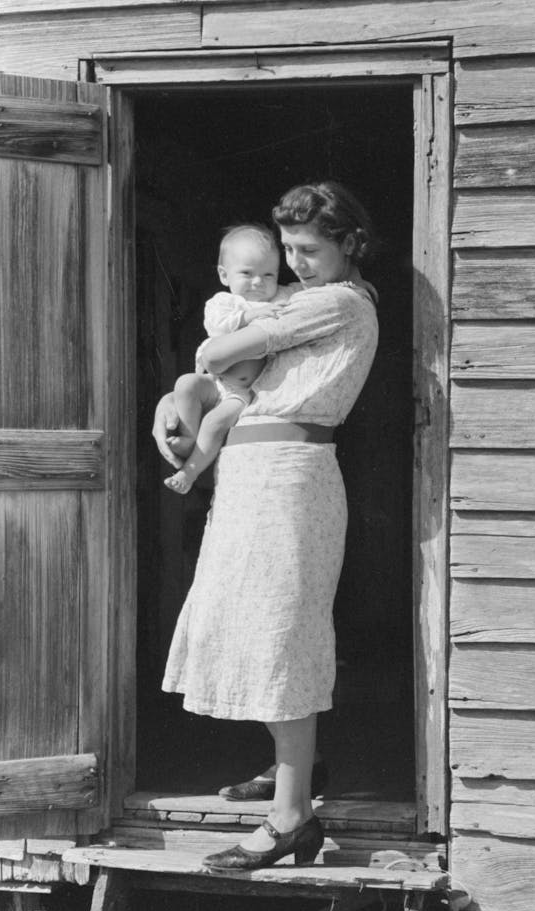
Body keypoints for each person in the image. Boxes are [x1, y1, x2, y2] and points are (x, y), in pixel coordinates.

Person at [152, 181, 379, 871]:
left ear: (350, 245)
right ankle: (295, 773)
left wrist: (204, 370)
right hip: (251, 476)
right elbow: (214, 372)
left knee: (280, 629)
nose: (296, 261)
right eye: (287, 249)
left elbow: (219, 355)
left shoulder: (340, 301)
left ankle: (291, 817)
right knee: (252, 625)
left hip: (291, 480)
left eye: (309, 249)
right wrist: (175, 400)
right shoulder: (295, 299)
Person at [164, 224, 296, 495]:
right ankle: (189, 438)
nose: (258, 283)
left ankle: (189, 472)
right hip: (214, 381)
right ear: (224, 275)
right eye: (247, 273)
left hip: (242, 392)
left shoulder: (281, 296)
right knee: (185, 384)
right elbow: (217, 327)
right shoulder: (224, 303)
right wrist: (249, 317)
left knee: (213, 424)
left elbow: (308, 295)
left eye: (268, 274)